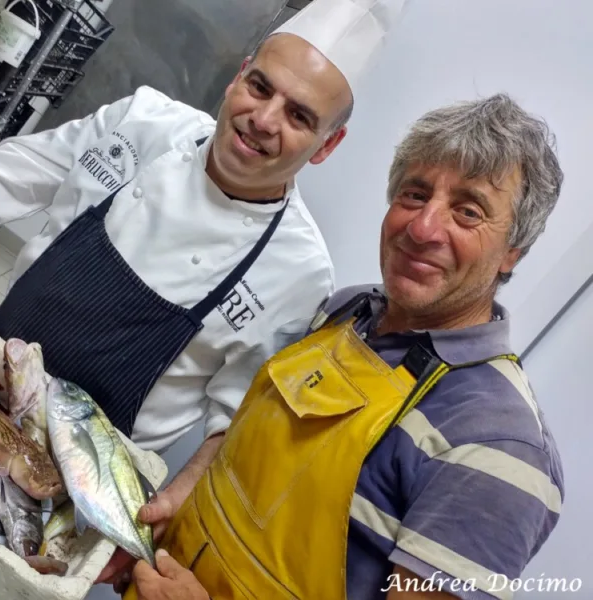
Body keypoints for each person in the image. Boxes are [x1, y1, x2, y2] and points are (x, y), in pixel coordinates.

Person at [0, 0, 411, 596]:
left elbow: (231, 425)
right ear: (236, 78)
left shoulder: (299, 271)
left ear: (327, 145)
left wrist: (162, 506)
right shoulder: (141, 123)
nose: (265, 119)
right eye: (260, 86)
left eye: (300, 116)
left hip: (63, 493)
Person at [123, 93, 566, 600]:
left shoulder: (500, 449)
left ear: (513, 252)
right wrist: (171, 508)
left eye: (467, 212)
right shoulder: (349, 310)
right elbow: (251, 448)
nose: (423, 228)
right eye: (415, 195)